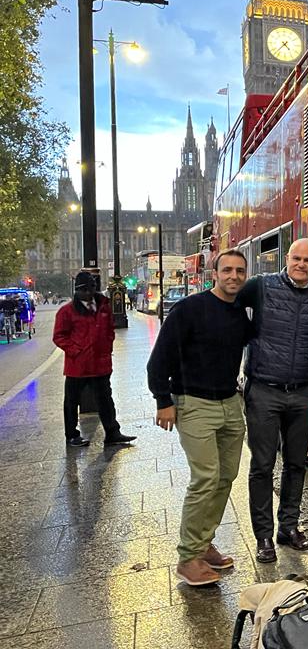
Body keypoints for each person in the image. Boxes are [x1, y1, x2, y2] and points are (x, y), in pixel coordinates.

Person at [148, 249, 250, 587]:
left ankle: (204, 542)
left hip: (229, 404)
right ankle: (188, 557)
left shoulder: (239, 314)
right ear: (215, 273)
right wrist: (164, 400)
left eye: (239, 271)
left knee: (225, 477)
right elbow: (158, 359)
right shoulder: (190, 308)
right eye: (227, 270)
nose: (233, 276)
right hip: (194, 404)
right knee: (205, 478)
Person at [238, 239, 308, 563]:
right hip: (264, 390)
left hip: (302, 392)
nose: (301, 264)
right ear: (286, 259)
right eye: (296, 258)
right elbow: (227, 302)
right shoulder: (261, 287)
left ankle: (287, 527)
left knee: (295, 464)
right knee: (262, 466)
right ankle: (263, 536)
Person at [53, 271, 136, 448]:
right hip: (78, 366)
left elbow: (109, 330)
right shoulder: (66, 311)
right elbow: (59, 336)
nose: (89, 293)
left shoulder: (103, 306)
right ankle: (72, 435)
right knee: (71, 402)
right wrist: (76, 351)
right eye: (84, 290)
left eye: (91, 288)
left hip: (100, 363)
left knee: (106, 399)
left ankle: (112, 432)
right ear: (77, 291)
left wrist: (107, 348)